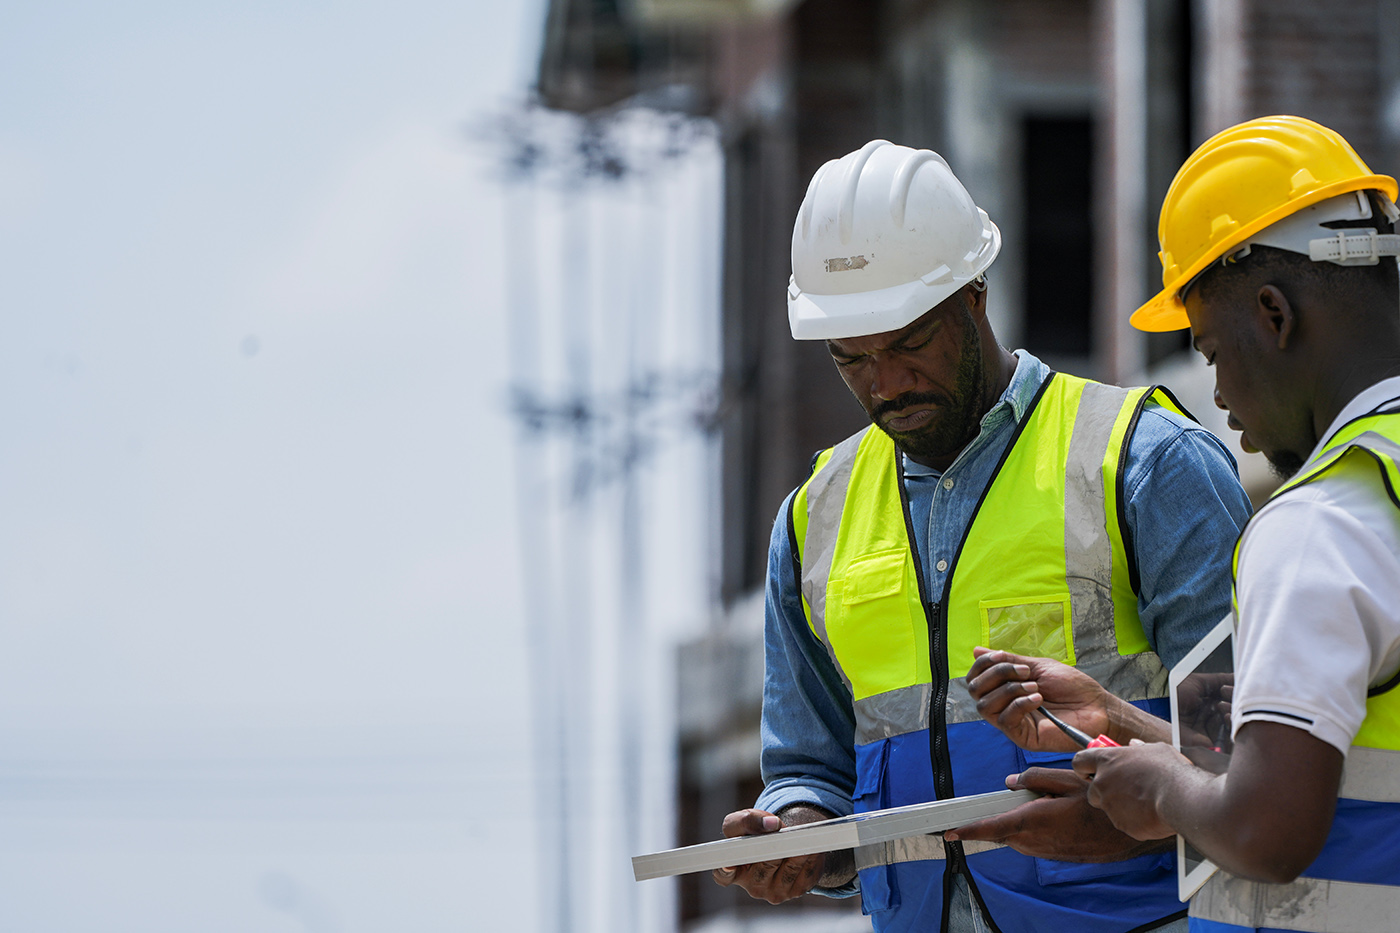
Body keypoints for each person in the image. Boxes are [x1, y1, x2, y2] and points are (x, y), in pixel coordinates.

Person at [710, 139, 1253, 933]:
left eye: (907, 343)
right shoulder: (810, 520)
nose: (884, 383)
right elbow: (811, 769)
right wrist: (797, 835)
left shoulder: (1143, 463)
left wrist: (1128, 798)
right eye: (850, 358)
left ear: (974, 297)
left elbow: (1245, 755)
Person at [965, 115, 1400, 932]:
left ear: (1273, 315)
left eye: (1208, 350)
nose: (1223, 401)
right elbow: (1313, 760)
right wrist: (1122, 721)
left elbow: (1266, 827)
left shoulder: (1319, 524)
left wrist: (1159, 788)